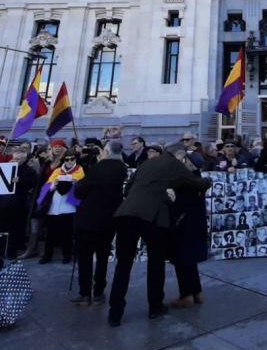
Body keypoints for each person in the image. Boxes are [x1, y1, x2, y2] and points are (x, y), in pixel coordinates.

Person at [107, 146, 212, 326]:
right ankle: (155, 307)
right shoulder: (176, 165)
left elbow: (128, 189)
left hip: (126, 214)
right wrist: (208, 179)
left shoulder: (146, 163)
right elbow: (198, 183)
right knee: (156, 264)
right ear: (178, 155)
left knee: (123, 265)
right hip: (154, 218)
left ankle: (115, 313)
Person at [71, 140, 127, 305]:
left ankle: (85, 292)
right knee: (103, 256)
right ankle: (99, 292)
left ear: (107, 151)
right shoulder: (122, 168)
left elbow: (81, 191)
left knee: (85, 256)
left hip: (89, 218)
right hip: (109, 219)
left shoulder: (98, 168)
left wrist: (78, 185)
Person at [168, 146, 209, 308]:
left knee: (182, 260)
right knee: (190, 261)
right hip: (195, 223)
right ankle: (197, 292)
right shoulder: (198, 178)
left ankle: (186, 295)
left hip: (183, 224)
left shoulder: (185, 179)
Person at [37, 151, 84, 264]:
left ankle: (66, 255)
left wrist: (72, 183)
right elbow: (47, 187)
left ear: (75, 159)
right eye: (67, 159)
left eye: (72, 159)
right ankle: (47, 255)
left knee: (67, 234)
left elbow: (81, 186)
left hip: (68, 207)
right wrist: (55, 185)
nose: (69, 161)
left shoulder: (80, 170)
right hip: (54, 206)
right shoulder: (57, 171)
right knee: (50, 234)